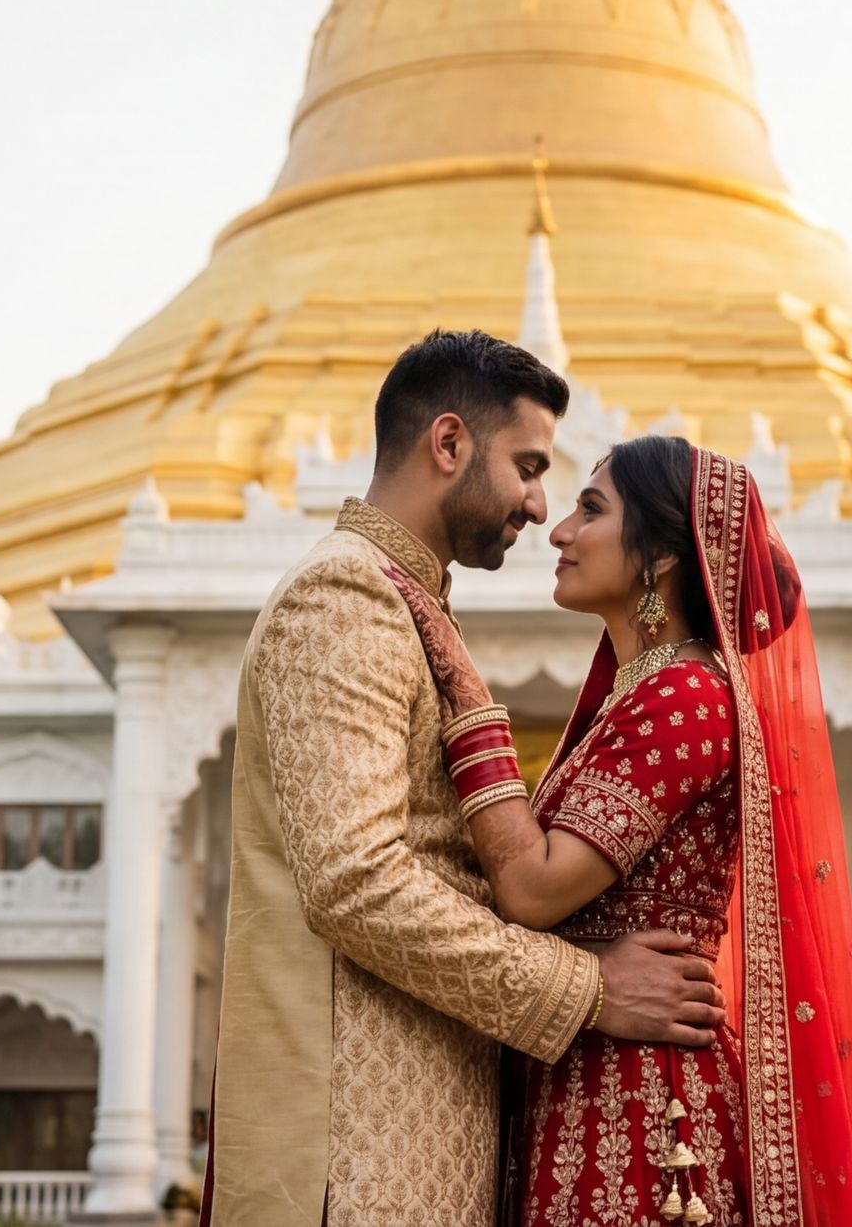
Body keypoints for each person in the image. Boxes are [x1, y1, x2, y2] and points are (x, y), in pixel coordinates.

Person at [208, 331, 726, 1227]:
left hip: (410, 1138)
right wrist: (591, 988)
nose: (540, 505)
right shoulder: (346, 597)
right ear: (448, 445)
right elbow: (355, 880)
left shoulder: (410, 606)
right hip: (354, 1150)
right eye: (528, 466)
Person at [385, 435, 852, 1227]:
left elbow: (530, 888)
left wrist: (469, 704)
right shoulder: (642, 693)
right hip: (598, 1064)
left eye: (591, 508)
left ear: (663, 553)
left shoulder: (685, 695)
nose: (559, 530)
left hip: (642, 1108)